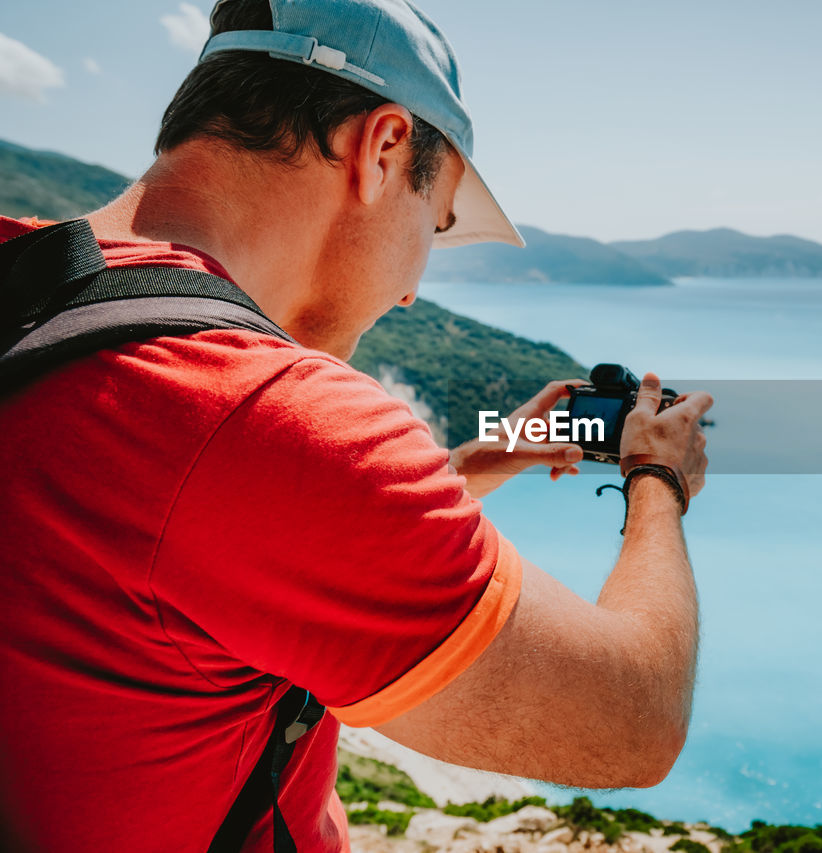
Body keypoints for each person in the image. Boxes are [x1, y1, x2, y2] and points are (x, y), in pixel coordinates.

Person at [0, 0, 712, 850]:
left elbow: (215, 533)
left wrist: (488, 456)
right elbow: (635, 720)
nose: (412, 288)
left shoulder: (31, 281)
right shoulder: (261, 417)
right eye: (435, 224)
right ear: (382, 149)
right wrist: (657, 479)